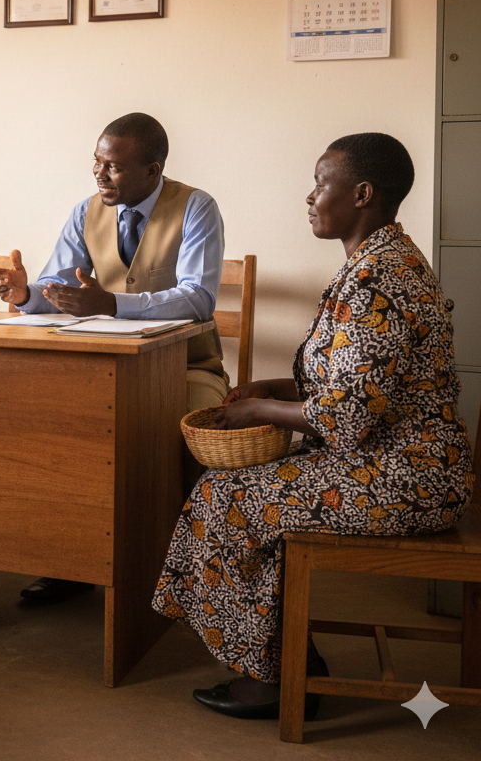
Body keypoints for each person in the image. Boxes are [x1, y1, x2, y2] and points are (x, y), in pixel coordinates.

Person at [152, 133, 475, 719]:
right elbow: (356, 383)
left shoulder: (380, 280)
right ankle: (288, 661)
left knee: (227, 498)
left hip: (408, 478)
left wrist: (257, 412)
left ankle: (271, 678)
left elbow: (347, 414)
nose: (310, 196)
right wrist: (275, 388)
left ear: (362, 194)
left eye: (321, 183)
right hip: (392, 460)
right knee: (232, 491)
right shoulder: (377, 262)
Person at [0, 112, 228, 602]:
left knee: (186, 427)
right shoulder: (86, 211)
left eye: (113, 166)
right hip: (100, 366)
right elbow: (58, 285)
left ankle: (187, 572)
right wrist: (26, 294)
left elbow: (199, 298)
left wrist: (113, 303)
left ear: (152, 170)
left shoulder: (196, 207)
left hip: (185, 367)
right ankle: (72, 561)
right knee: (52, 426)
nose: (100, 174)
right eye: (97, 162)